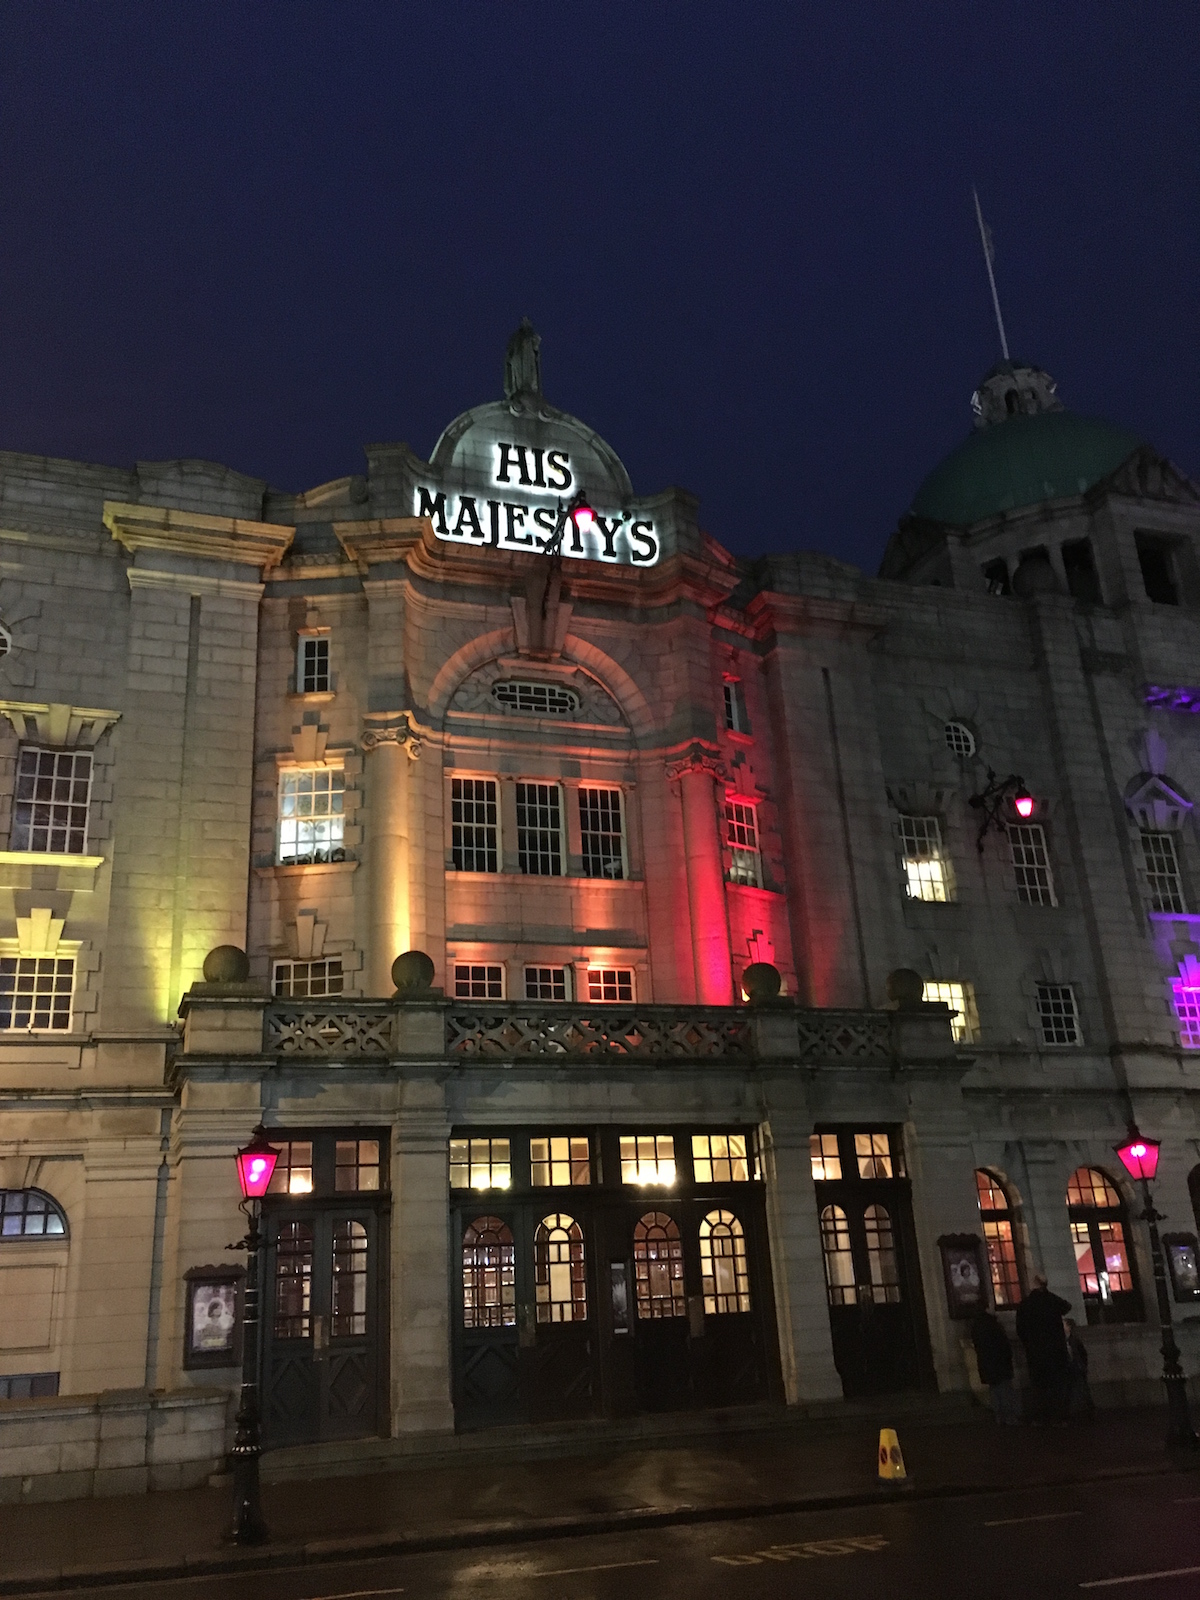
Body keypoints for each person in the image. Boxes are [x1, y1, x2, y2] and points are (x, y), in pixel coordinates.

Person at [1015, 1273, 1072, 1423]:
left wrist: (1028, 1343)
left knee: (1039, 1387)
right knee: (1057, 1386)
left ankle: (1042, 1418)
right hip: (1056, 1350)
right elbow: (1067, 1306)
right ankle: (1059, 1418)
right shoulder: (1052, 1300)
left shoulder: (1026, 1304)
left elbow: (1020, 1330)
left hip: (1036, 1352)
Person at [970, 1307, 1019, 1424]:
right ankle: (1009, 1417)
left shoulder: (976, 1326)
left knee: (994, 1389)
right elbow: (1003, 1344)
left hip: (987, 1363)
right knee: (1005, 1389)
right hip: (1000, 1362)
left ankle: (999, 1416)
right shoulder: (994, 1325)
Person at [1064, 1317, 1095, 1420]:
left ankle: (1086, 1409)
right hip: (1072, 1368)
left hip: (1076, 1367)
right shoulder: (1068, 1340)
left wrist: (1082, 1365)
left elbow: (1082, 1354)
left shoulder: (1074, 1340)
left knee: (1081, 1389)